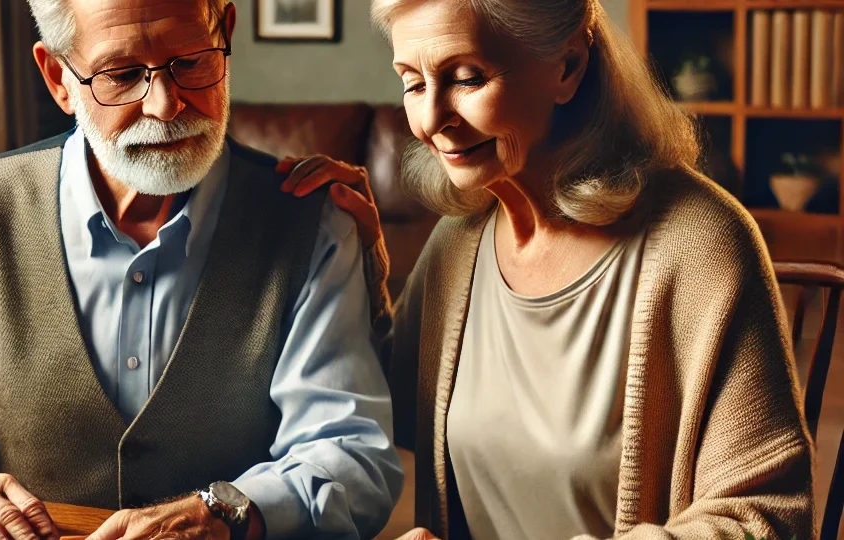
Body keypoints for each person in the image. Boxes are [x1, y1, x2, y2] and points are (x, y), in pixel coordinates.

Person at [0, 1, 403, 539]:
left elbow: (351, 454)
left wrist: (230, 510)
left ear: (224, 34)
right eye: (122, 75)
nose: (165, 104)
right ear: (58, 80)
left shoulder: (314, 226)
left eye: (190, 61)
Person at [281, 0, 815, 538]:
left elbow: (766, 517)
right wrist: (353, 258)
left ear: (568, 66)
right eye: (413, 83)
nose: (428, 121)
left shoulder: (702, 245)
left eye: (466, 78)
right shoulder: (460, 243)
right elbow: (385, 405)